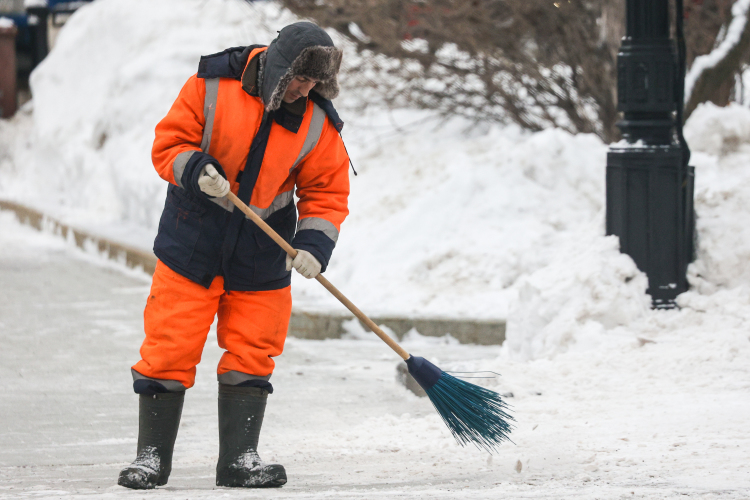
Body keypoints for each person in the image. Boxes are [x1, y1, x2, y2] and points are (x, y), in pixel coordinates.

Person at [117, 22, 350, 490]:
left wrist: (313, 247)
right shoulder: (209, 86)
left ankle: (240, 459)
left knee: (254, 349)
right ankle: (151, 458)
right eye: (300, 79)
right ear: (280, 68)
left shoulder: (317, 123)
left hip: (263, 253)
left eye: (313, 83)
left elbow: (326, 192)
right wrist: (195, 168)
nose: (305, 90)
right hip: (193, 241)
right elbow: (169, 144)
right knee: (169, 345)